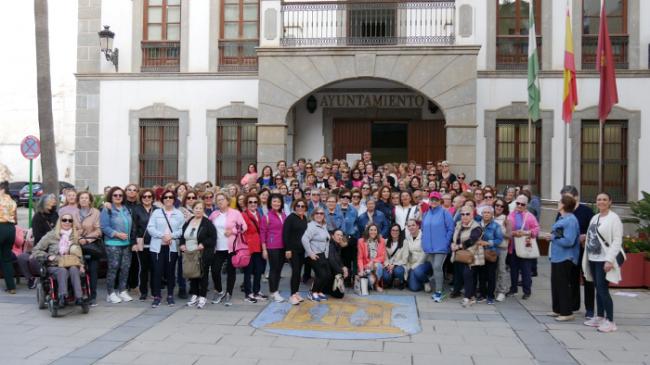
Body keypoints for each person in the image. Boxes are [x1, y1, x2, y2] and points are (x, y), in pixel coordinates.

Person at [582, 192, 624, 333]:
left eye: (604, 199)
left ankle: (610, 321)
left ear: (610, 202)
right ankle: (600, 317)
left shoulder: (614, 218)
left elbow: (617, 241)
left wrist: (609, 260)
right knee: (597, 288)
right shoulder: (595, 217)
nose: (601, 202)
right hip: (593, 258)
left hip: (604, 259)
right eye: (599, 199)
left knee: (602, 289)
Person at [32, 213, 85, 307]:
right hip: (54, 265)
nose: (67, 222)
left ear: (72, 223)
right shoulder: (51, 235)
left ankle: (79, 298)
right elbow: (36, 250)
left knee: (73, 269)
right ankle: (62, 297)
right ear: (59, 222)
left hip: (71, 263)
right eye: (64, 220)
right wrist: (47, 256)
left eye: (70, 220)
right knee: (62, 271)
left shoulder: (75, 236)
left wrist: (81, 265)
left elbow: (79, 254)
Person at [558, 185, 595, 318]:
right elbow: (558, 229)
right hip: (569, 252)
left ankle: (590, 309)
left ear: (576, 197)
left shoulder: (586, 211)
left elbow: (594, 229)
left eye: (568, 197)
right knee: (572, 279)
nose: (565, 201)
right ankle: (574, 305)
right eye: (563, 198)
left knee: (588, 279)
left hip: (585, 250)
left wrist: (585, 236)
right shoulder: (562, 211)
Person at [543, 195, 580, 321]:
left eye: (559, 202)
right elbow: (559, 234)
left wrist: (553, 238)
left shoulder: (570, 220)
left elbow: (569, 241)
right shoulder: (562, 218)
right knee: (556, 284)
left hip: (565, 257)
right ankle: (557, 309)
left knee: (563, 285)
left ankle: (567, 312)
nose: (557, 203)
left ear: (564, 205)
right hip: (557, 257)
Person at [147, 189, 185, 307]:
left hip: (171, 247)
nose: (168, 199)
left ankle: (170, 295)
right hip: (157, 247)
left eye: (170, 197)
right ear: (162, 199)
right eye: (166, 197)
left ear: (174, 199)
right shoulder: (157, 213)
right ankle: (157, 296)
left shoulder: (179, 214)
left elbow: (181, 230)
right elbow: (150, 228)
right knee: (157, 272)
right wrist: (162, 236)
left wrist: (171, 236)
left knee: (170, 273)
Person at [209, 192, 247, 306]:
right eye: (218, 200)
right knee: (215, 270)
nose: (220, 201)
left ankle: (229, 293)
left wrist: (233, 231)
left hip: (232, 247)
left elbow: (244, 227)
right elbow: (207, 225)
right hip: (218, 248)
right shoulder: (214, 214)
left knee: (231, 271)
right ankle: (220, 291)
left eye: (222, 199)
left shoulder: (235, 213)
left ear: (227, 200)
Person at [179, 200, 216, 309]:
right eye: (196, 208)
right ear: (193, 209)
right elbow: (183, 235)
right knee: (192, 274)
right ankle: (194, 295)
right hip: (189, 253)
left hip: (202, 253)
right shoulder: (189, 221)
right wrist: (181, 244)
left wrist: (203, 244)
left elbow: (213, 238)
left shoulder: (207, 223)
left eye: (200, 208)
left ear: (203, 210)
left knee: (202, 275)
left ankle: (203, 296)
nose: (198, 210)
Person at [101, 186, 135, 304]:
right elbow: (104, 227)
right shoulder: (107, 209)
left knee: (125, 268)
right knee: (113, 268)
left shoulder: (126, 209)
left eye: (120, 195)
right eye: (115, 195)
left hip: (126, 244)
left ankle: (122, 291)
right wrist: (117, 234)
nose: (118, 197)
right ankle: (110, 293)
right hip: (112, 243)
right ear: (111, 196)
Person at [420, 191, 454, 301]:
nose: (434, 201)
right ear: (429, 201)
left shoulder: (445, 213)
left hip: (441, 247)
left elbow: (450, 228)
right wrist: (424, 242)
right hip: (429, 248)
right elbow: (423, 229)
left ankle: (439, 291)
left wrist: (446, 241)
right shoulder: (426, 214)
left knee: (437, 267)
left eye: (436, 200)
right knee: (434, 268)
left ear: (440, 201)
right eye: (432, 199)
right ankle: (438, 290)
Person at [506, 194, 540, 300]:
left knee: (526, 270)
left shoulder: (530, 216)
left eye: (522, 204)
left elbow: (536, 229)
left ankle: (527, 291)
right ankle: (513, 289)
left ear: (526, 205)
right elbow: (507, 230)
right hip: (513, 247)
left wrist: (527, 232)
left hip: (525, 247)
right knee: (513, 270)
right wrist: (513, 233)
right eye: (518, 203)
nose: (520, 205)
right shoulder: (511, 215)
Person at [451, 206, 483, 307]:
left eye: (467, 214)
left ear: (472, 215)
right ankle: (460, 292)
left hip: (471, 254)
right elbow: (455, 237)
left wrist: (459, 246)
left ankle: (468, 297)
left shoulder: (476, 227)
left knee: (468, 275)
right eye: (462, 214)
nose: (464, 216)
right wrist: (453, 244)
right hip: (459, 254)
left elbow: (472, 240)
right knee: (459, 273)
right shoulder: (458, 224)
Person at [76, 191, 102, 306]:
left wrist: (87, 239)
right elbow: (69, 228)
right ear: (78, 200)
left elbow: (98, 230)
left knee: (93, 270)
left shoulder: (96, 212)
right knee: (76, 269)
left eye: (86, 198)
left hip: (91, 245)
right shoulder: (74, 213)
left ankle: (92, 296)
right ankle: (79, 293)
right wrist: (79, 237)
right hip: (77, 245)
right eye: (82, 198)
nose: (84, 200)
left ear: (90, 200)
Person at [132, 188, 158, 302]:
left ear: (152, 198)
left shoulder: (157, 210)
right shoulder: (136, 209)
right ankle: (143, 292)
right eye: (144, 197)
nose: (147, 198)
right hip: (142, 243)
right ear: (141, 198)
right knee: (143, 269)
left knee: (154, 269)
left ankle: (154, 291)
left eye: (149, 196)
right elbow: (133, 227)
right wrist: (133, 243)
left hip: (156, 243)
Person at [301, 207, 332, 301]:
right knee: (321, 274)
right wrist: (310, 253)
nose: (319, 215)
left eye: (321, 213)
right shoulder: (311, 226)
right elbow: (304, 239)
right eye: (317, 213)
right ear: (313, 215)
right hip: (314, 254)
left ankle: (319, 291)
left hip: (323, 254)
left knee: (327, 274)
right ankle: (312, 292)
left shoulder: (323, 226)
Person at [241, 193, 267, 303]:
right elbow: (242, 231)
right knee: (248, 271)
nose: (253, 204)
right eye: (250, 202)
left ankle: (256, 291)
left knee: (258, 270)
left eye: (255, 202)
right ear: (247, 203)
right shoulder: (243, 215)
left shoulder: (259, 213)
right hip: (249, 246)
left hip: (258, 246)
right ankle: (248, 293)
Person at [259, 193, 285, 303]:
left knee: (279, 270)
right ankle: (273, 292)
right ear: (270, 203)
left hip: (283, 246)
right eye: (274, 201)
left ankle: (275, 290)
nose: (276, 203)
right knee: (273, 270)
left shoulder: (283, 215)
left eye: (278, 201)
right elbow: (263, 234)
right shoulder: (266, 217)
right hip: (272, 246)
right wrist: (264, 249)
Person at [283, 198, 308, 305]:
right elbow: (285, 234)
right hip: (292, 250)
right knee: (295, 272)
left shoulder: (304, 218)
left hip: (302, 250)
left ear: (305, 208)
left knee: (298, 273)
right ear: (294, 207)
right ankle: (292, 295)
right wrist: (287, 249)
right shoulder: (290, 218)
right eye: (298, 206)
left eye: (302, 206)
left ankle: (296, 293)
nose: (300, 208)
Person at [477, 206, 503, 305]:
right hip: (479, 253)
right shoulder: (478, 225)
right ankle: (482, 294)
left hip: (491, 253)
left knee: (491, 275)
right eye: (484, 212)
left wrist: (487, 243)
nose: (486, 214)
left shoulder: (496, 226)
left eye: (488, 212)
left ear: (492, 214)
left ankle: (490, 296)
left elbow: (499, 240)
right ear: (482, 214)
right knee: (481, 275)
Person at [493, 197, 513, 302]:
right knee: (492, 270)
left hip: (501, 248)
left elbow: (509, 235)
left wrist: (499, 232)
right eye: (497, 205)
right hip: (491, 247)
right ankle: (493, 289)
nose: (499, 207)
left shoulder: (506, 219)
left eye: (502, 206)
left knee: (501, 269)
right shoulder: (490, 216)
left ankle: (502, 291)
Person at [357, 223, 387, 292]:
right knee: (371, 281)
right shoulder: (361, 241)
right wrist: (361, 270)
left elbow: (382, 257)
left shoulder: (382, 241)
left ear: (377, 231)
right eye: (371, 230)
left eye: (375, 230)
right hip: (366, 267)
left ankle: (376, 285)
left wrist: (372, 261)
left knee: (377, 265)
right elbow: (360, 258)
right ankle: (371, 282)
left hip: (376, 266)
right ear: (368, 231)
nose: (373, 232)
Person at [0, 181, 17, 294]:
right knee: (6, 259)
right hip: (11, 229)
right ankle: (11, 287)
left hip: (0, 227)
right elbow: (15, 219)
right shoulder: (13, 201)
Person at [383, 223, 408, 289]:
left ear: (399, 232)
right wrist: (388, 265)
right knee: (386, 277)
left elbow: (405, 259)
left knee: (398, 271)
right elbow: (384, 256)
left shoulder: (404, 242)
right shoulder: (385, 242)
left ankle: (401, 281)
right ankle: (390, 280)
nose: (395, 232)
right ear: (390, 231)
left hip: (399, 265)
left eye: (397, 230)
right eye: (393, 230)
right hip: (388, 265)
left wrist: (394, 265)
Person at [326, 229, 349, 298]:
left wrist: (344, 267)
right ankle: (324, 288)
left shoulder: (338, 246)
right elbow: (332, 261)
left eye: (341, 235)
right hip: (329, 272)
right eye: (338, 235)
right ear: (333, 236)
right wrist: (342, 271)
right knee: (339, 295)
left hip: (334, 271)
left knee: (340, 294)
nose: (340, 237)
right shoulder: (330, 245)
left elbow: (338, 260)